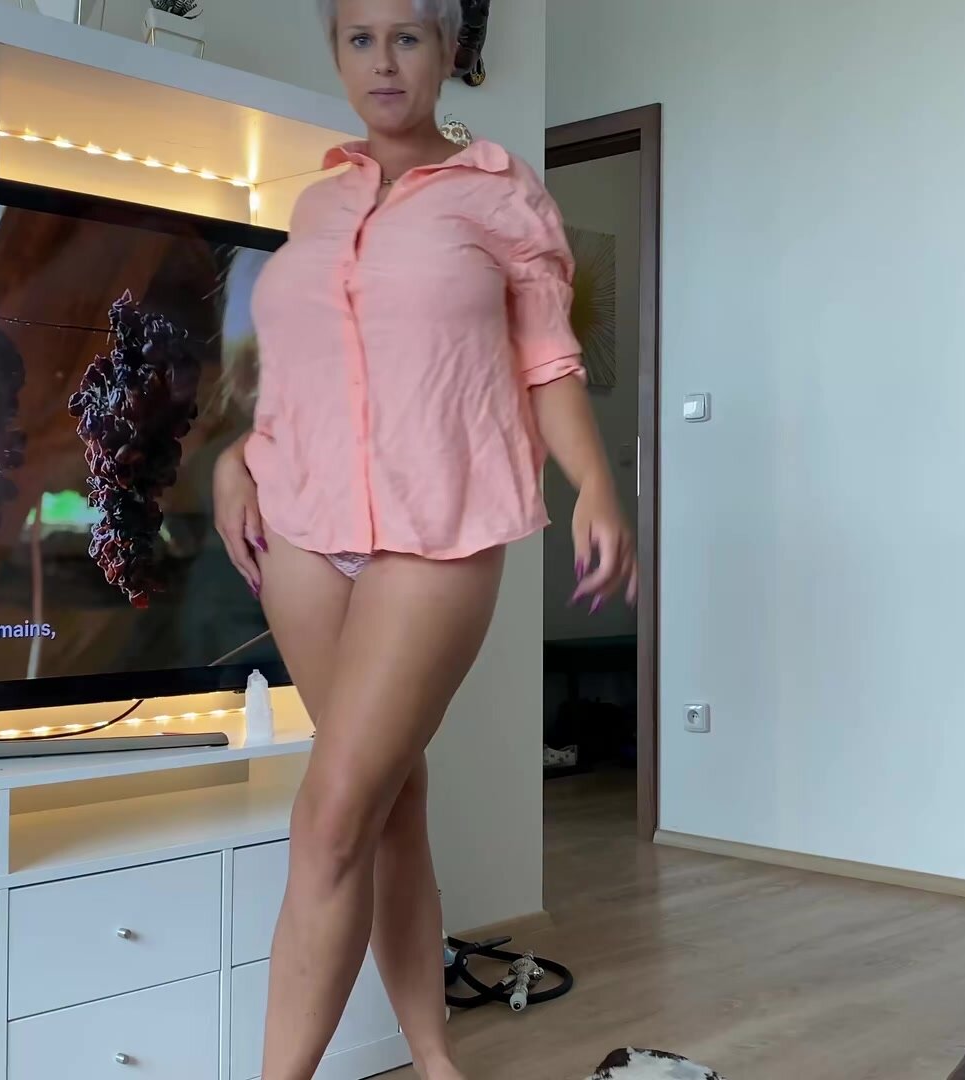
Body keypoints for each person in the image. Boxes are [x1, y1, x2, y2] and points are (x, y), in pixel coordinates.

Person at [208, 0, 635, 1076]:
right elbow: (295, 371)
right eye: (360, 38)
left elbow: (548, 363)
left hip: (438, 529)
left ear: (449, 49)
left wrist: (593, 483)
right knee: (389, 801)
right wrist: (233, 457)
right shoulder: (316, 203)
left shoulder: (501, 193)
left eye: (408, 35)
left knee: (331, 815)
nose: (384, 60)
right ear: (337, 53)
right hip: (301, 525)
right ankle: (437, 1060)